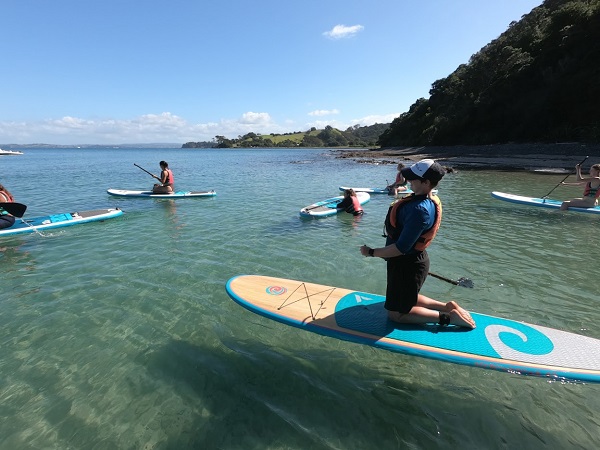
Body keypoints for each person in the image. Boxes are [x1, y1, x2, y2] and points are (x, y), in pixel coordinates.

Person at [359, 159, 475, 329]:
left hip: (408, 264)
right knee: (409, 297)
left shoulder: (419, 210)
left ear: (426, 182)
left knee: (396, 315)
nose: (409, 181)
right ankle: (447, 307)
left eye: (414, 178)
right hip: (408, 262)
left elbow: (401, 248)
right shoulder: (425, 199)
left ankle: (448, 318)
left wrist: (371, 252)